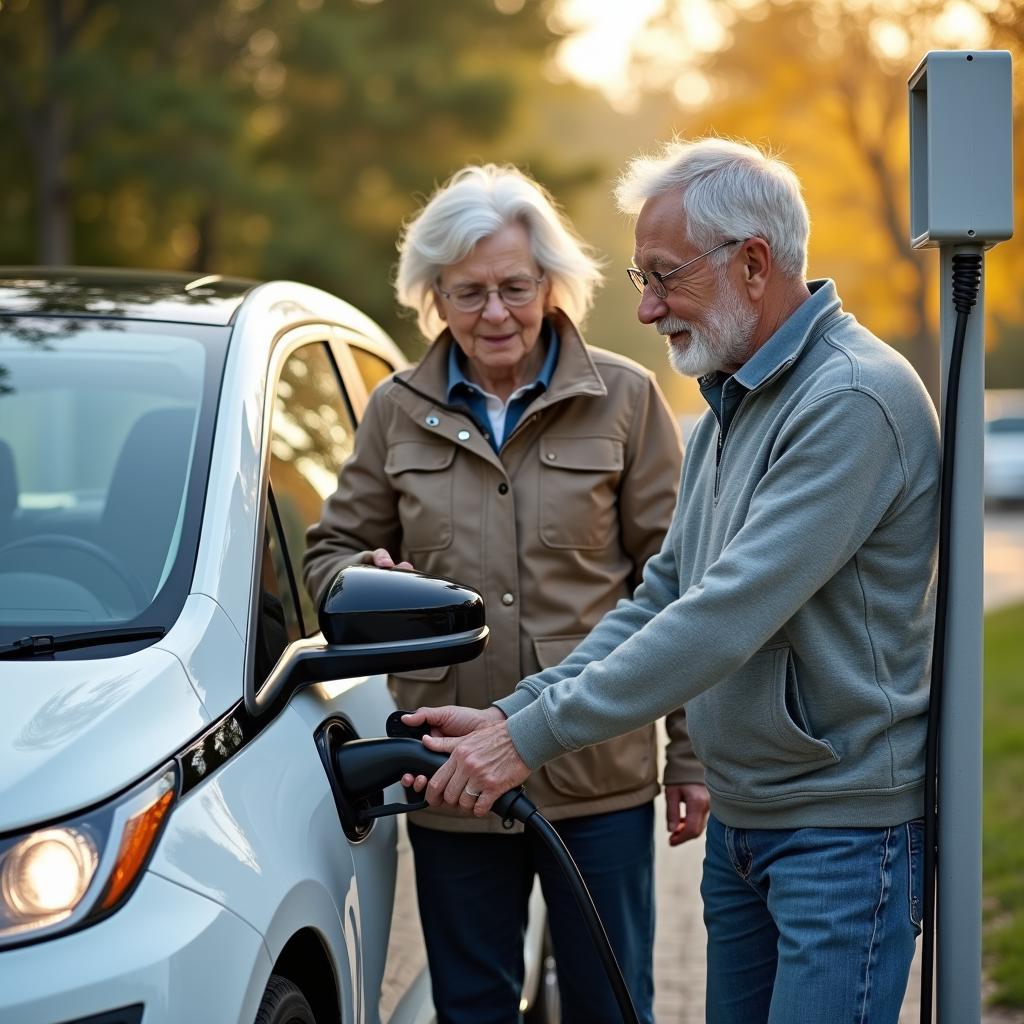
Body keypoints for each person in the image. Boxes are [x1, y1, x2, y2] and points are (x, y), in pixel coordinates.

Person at [405, 139, 940, 1024]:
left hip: (840, 837)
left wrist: (528, 739)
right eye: (641, 277)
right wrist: (512, 712)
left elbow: (725, 618)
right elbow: (664, 595)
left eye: (664, 276)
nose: (646, 307)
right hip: (749, 822)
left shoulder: (850, 399)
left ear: (754, 264)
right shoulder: (734, 398)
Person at [303, 163, 709, 1024]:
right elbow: (330, 550)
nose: (495, 313)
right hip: (450, 781)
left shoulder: (627, 401)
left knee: (611, 1001)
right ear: (435, 297)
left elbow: (681, 593)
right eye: (470, 292)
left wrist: (693, 756)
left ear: (551, 284)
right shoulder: (394, 411)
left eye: (515, 288)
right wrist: (364, 581)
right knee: (473, 1010)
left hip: (595, 777)